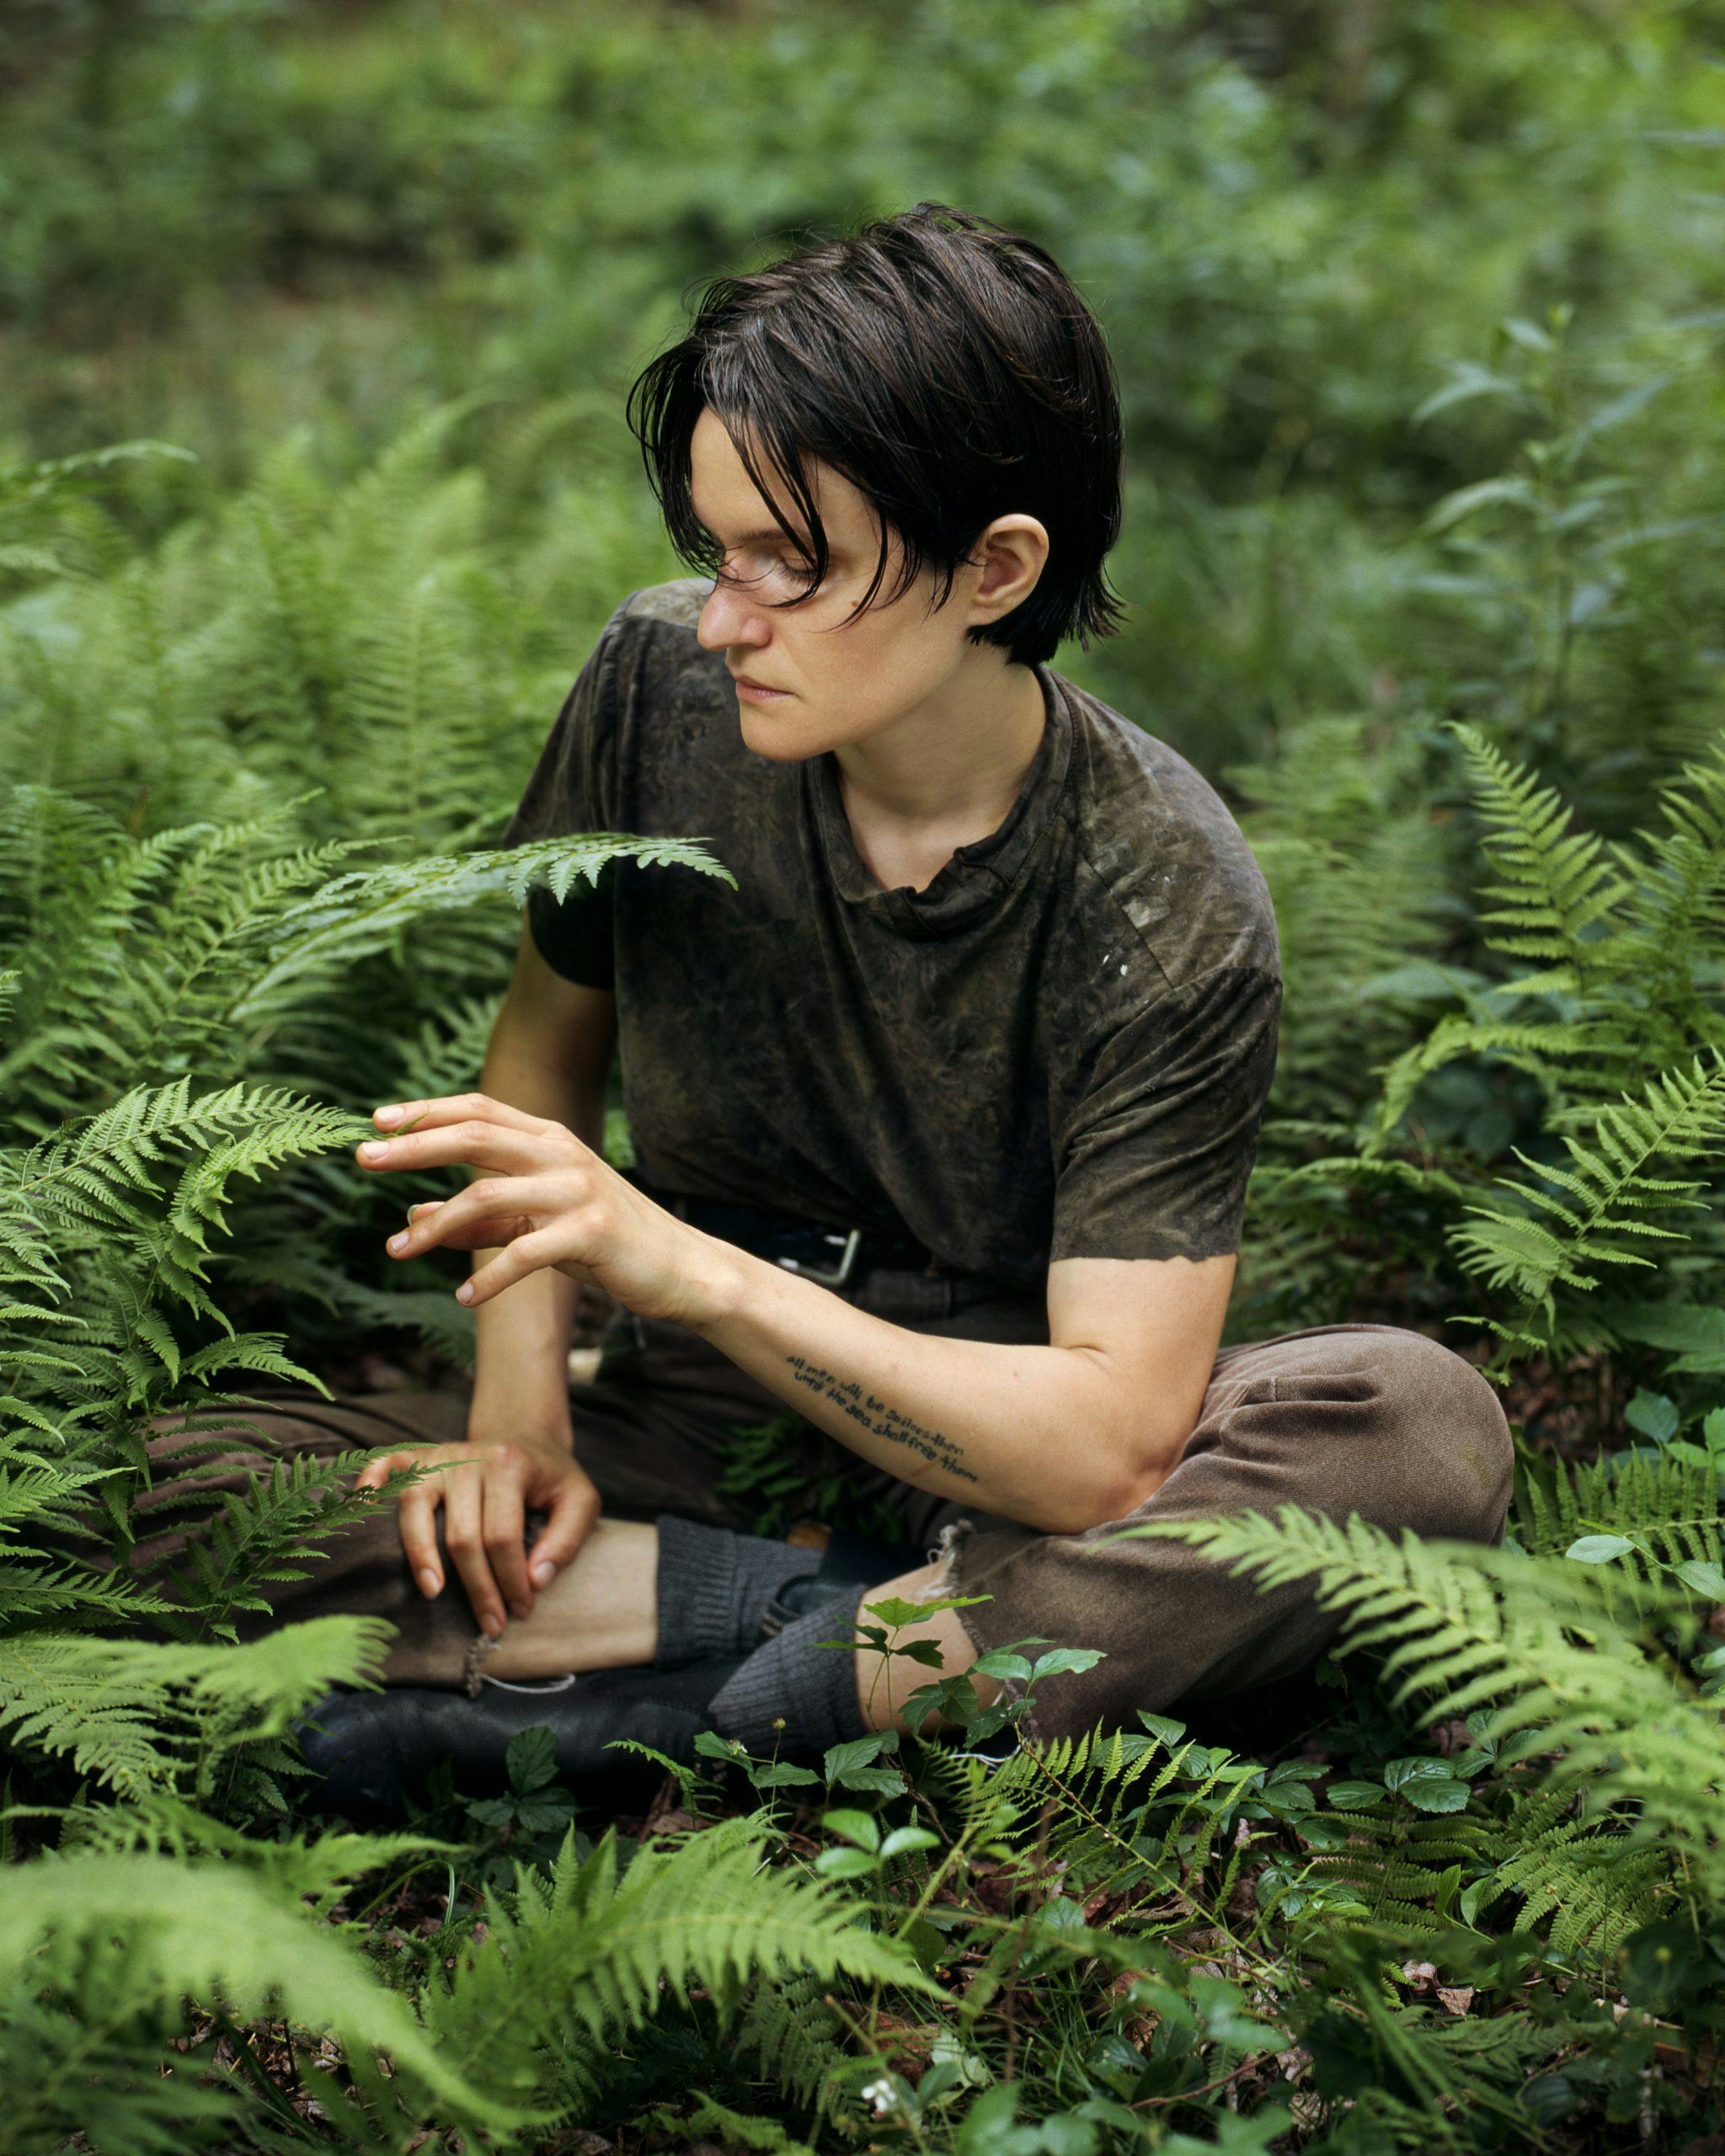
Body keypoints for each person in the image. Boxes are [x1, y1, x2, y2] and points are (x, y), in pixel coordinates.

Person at [139, 203, 1512, 1806]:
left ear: (996, 568)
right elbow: (540, 1064)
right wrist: (520, 1423)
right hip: (691, 1416)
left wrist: (691, 1269)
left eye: (793, 566)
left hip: (996, 1438)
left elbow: (1108, 1449)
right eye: (717, 554)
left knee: (1413, 1434)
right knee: (135, 1492)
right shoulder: (655, 689)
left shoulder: (1162, 890)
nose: (729, 618)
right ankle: (839, 1631)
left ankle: (668, 1706)